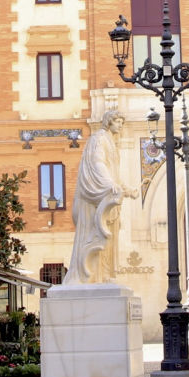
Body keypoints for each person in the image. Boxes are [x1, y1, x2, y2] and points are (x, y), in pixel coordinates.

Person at [63, 110, 139, 284]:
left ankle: (104, 275)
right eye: (117, 121)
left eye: (121, 122)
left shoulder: (112, 142)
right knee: (98, 235)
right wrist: (108, 184)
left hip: (108, 195)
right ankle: (91, 276)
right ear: (109, 122)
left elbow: (115, 175)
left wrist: (127, 190)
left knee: (109, 239)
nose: (120, 125)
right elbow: (97, 163)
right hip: (95, 199)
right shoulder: (99, 138)